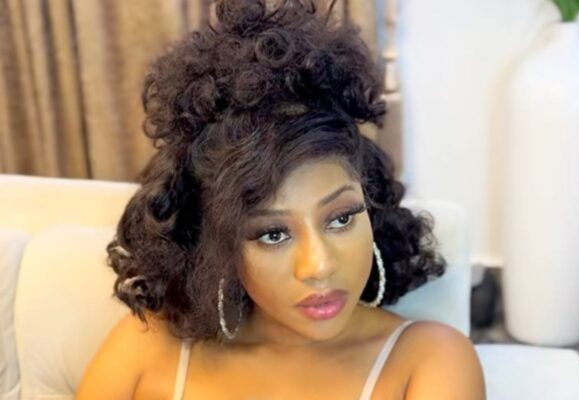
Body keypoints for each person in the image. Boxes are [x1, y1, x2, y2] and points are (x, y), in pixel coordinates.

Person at [76, 0, 486, 398]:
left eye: (341, 218)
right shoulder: (146, 349)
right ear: (215, 245)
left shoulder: (430, 361)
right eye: (273, 234)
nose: (320, 266)